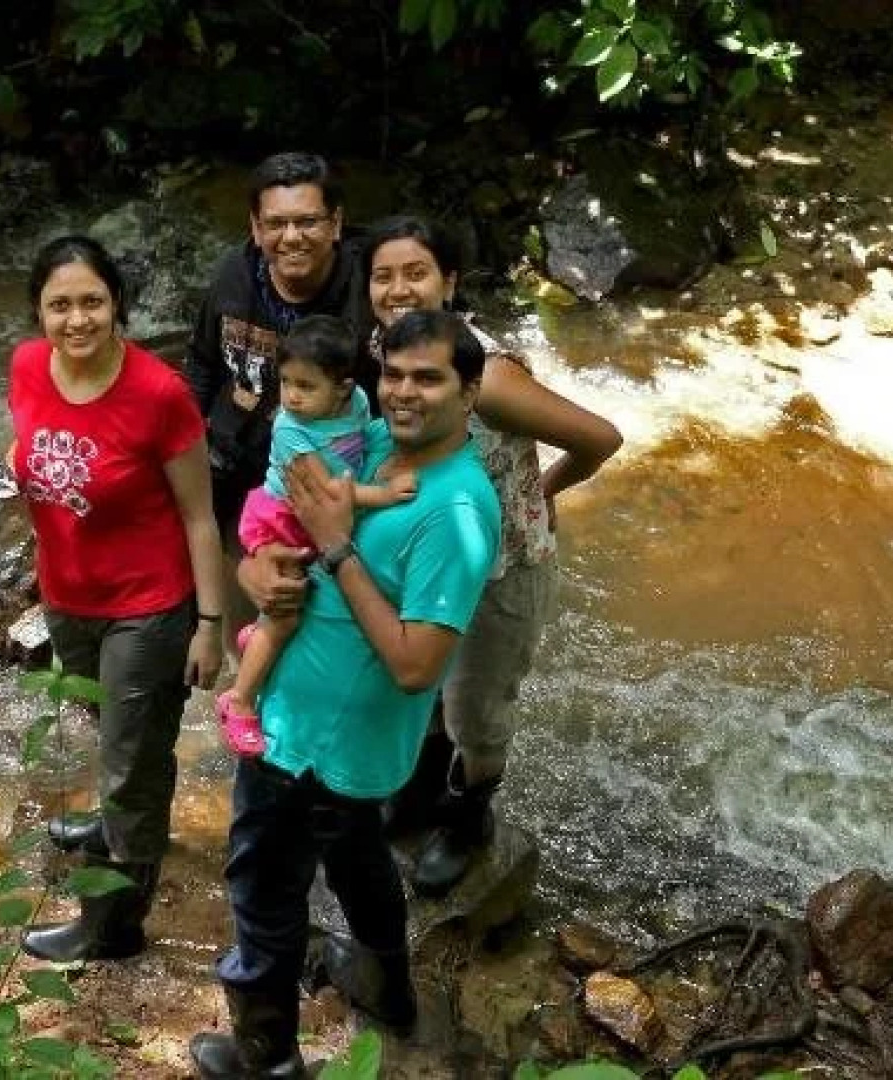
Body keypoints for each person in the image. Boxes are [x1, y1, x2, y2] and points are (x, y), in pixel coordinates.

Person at [187, 310, 501, 1080]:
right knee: (358, 856)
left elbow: (416, 664)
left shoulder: (455, 509)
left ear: (471, 392)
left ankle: (267, 1054)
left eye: (429, 378)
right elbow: (272, 532)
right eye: (394, 373)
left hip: (313, 738)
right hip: (339, 736)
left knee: (262, 883)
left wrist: (335, 544)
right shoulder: (377, 444)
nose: (404, 392)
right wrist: (258, 571)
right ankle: (387, 989)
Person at [364, 215, 623, 896]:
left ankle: (468, 821)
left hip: (502, 573)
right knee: (418, 687)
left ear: (448, 282)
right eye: (382, 275)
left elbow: (602, 437)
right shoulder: (384, 349)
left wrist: (541, 490)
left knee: (477, 713)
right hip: (428, 560)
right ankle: (418, 794)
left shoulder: (494, 375)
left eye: (415, 273)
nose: (398, 289)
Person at [2, 235, 227, 964]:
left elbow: (200, 515)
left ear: (117, 304)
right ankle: (112, 829)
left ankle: (112, 928)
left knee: (134, 763)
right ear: (39, 312)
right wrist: (4, 478)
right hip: (70, 597)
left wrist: (211, 624)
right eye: (60, 304)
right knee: (111, 730)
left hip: (149, 604)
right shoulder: (27, 365)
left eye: (91, 301)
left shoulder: (158, 394)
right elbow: (31, 452)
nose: (77, 319)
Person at [183, 151, 379, 661]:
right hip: (240, 471)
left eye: (308, 221)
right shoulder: (235, 274)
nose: (291, 237)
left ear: (335, 223)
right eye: (276, 224)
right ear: (255, 227)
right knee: (245, 625)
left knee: (323, 632)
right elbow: (203, 362)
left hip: (335, 479)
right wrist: (185, 449)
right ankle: (245, 722)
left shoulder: (369, 287)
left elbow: (402, 394)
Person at [215, 314, 417, 755]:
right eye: (286, 382)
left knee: (305, 601)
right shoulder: (290, 426)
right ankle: (240, 701)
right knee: (285, 611)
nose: (292, 396)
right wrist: (385, 495)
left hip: (311, 512)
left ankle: (258, 639)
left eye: (306, 386)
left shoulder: (359, 403)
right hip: (278, 515)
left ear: (343, 388)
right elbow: (327, 491)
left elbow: (363, 445)